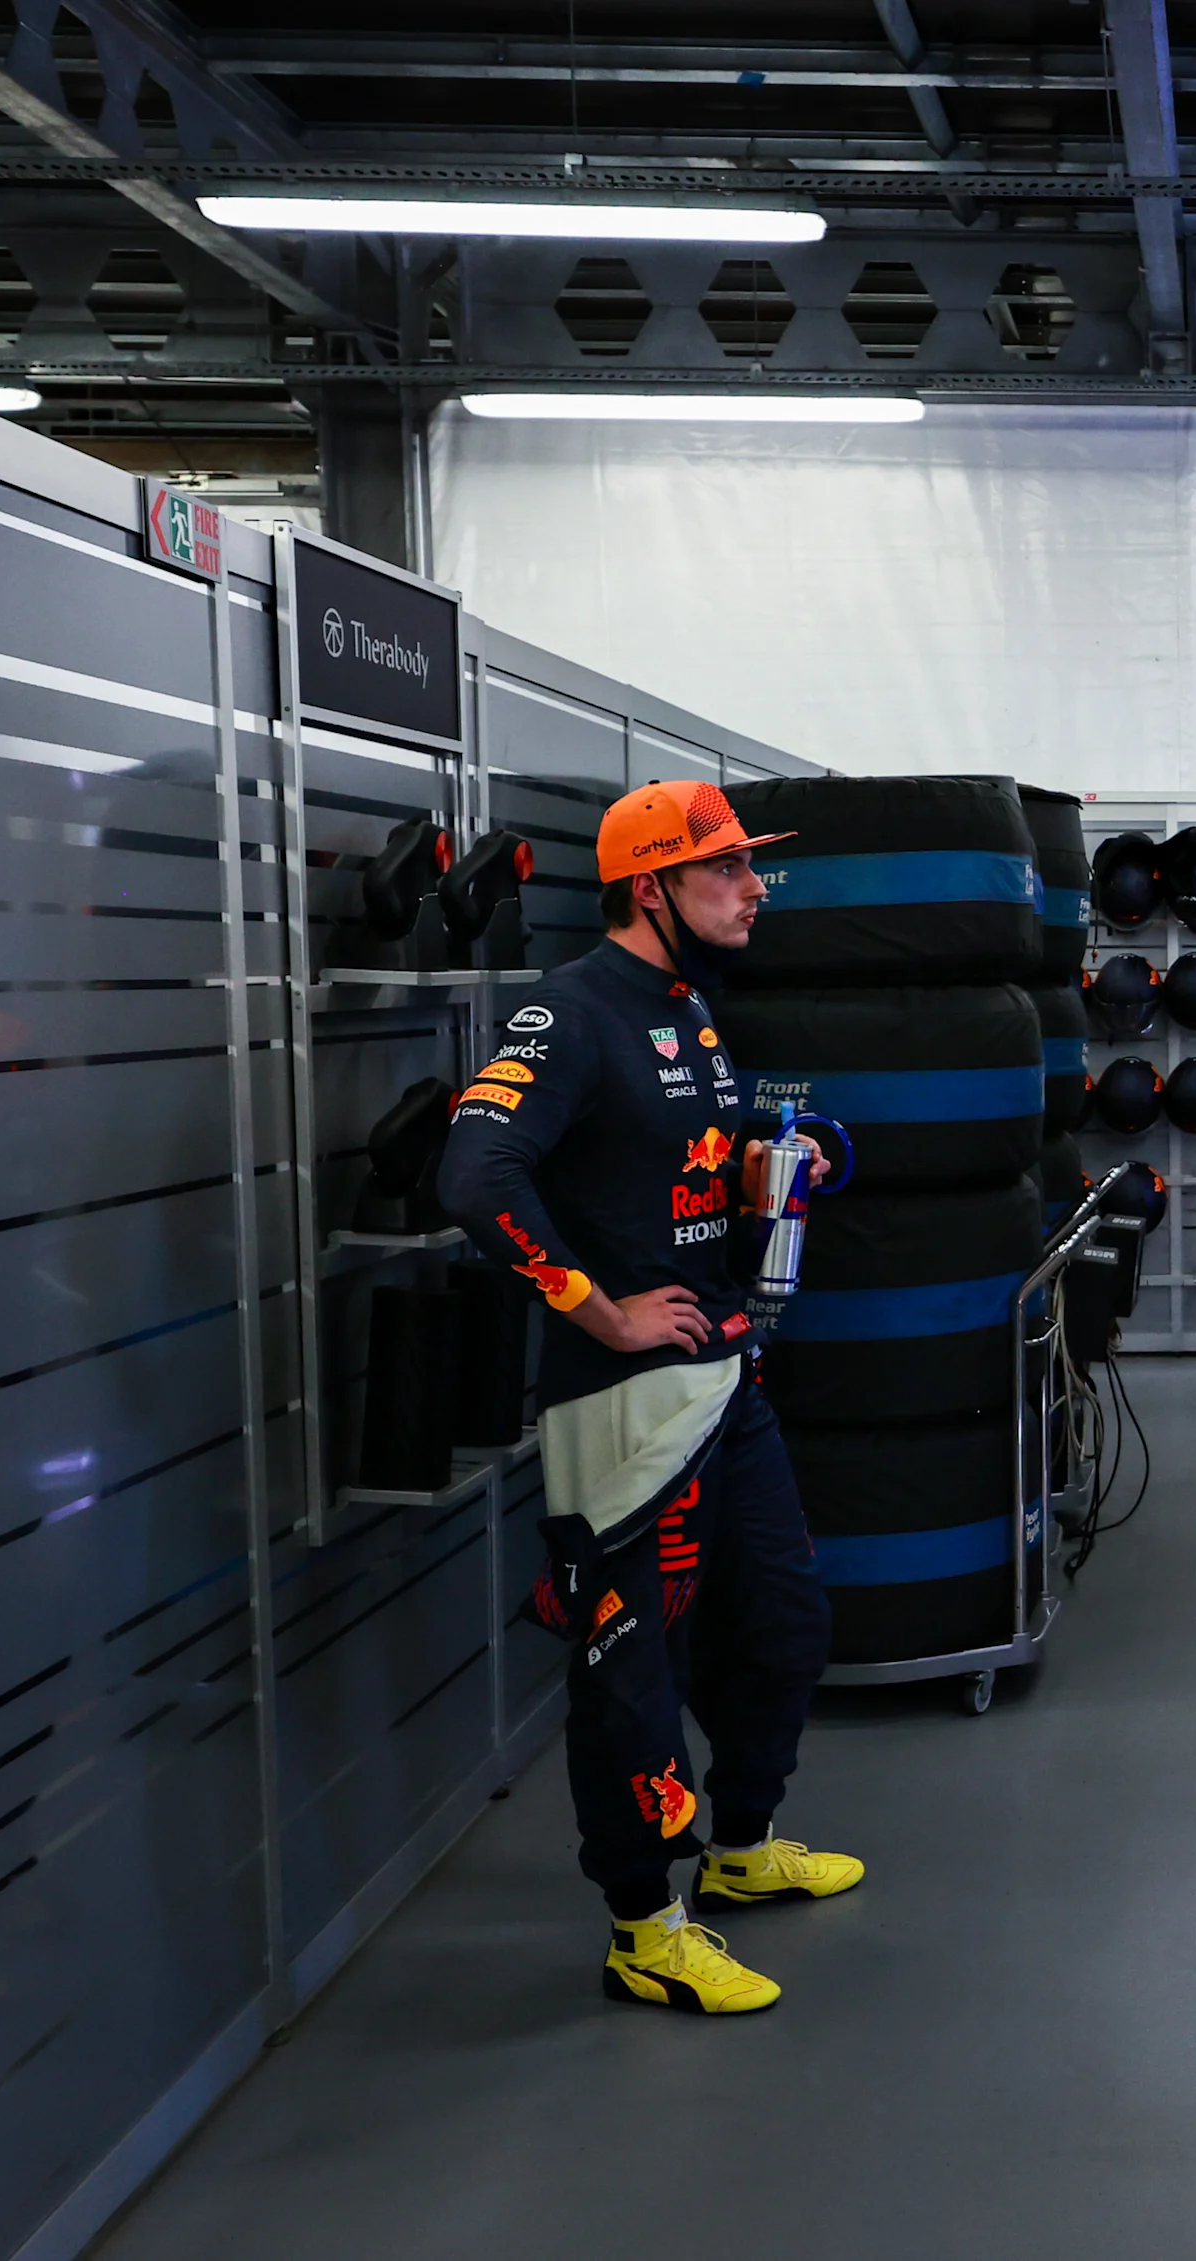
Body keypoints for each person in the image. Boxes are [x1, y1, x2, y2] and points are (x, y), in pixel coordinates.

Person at [438, 780, 862, 2017]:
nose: (753, 886)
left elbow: (686, 1154)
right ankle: (644, 1925)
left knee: (778, 1622)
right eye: (726, 868)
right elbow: (475, 1173)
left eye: (748, 865)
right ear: (651, 887)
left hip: (725, 1376)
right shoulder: (567, 1011)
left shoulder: (686, 1005)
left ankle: (740, 1846)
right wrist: (600, 1305)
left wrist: (780, 1163)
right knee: (630, 1671)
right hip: (627, 1398)